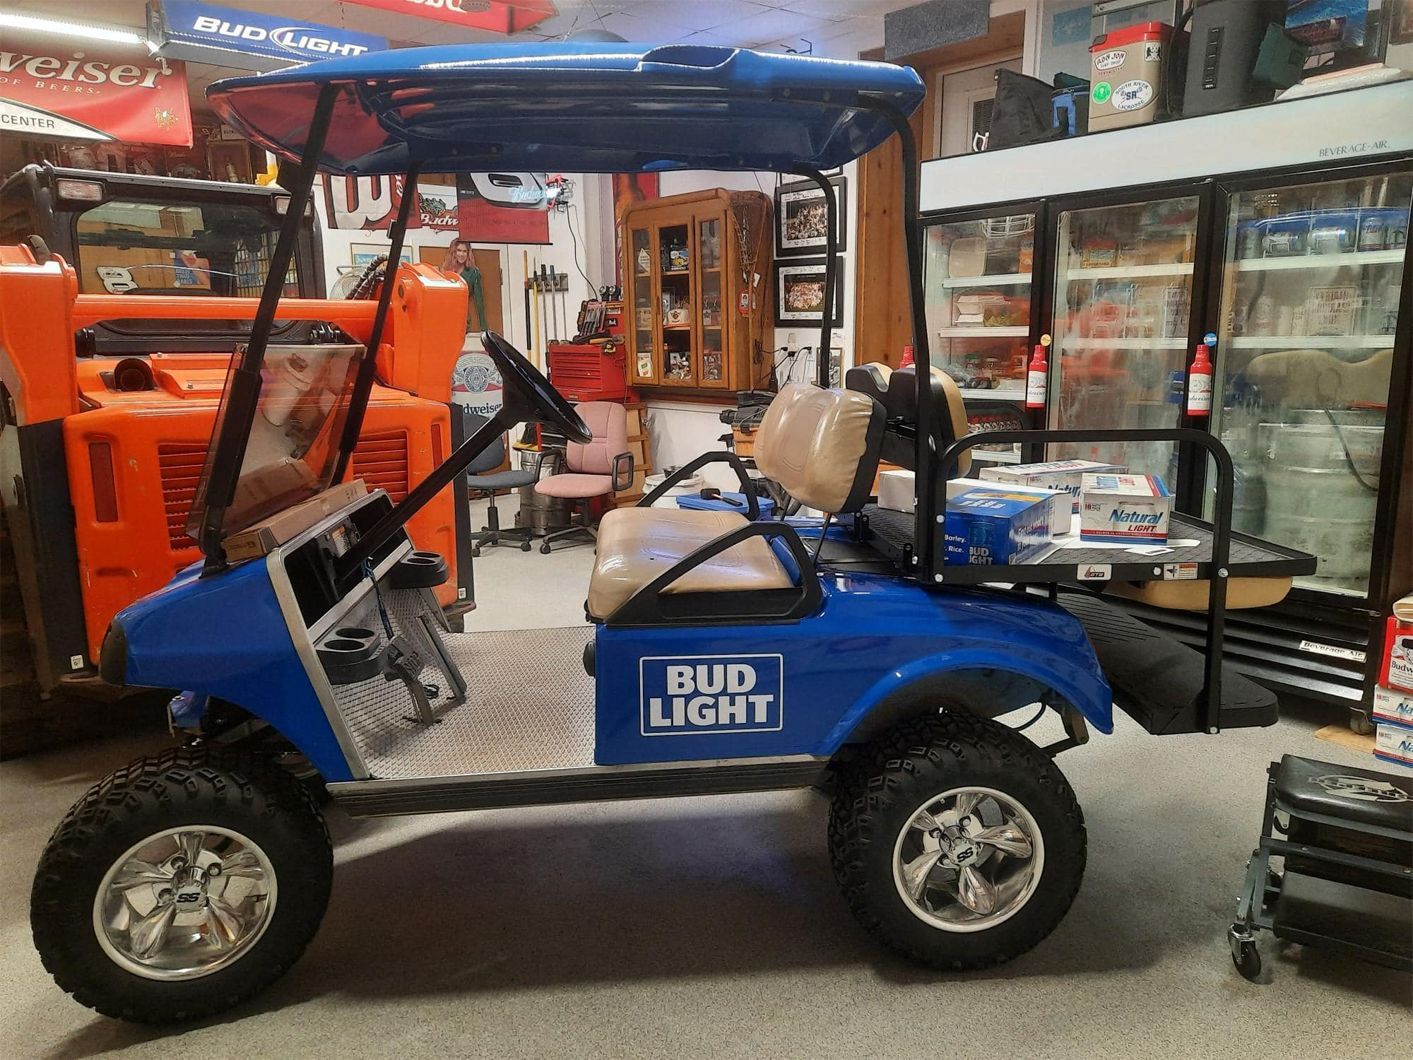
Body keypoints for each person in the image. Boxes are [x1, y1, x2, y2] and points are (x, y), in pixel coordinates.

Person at [441, 240, 487, 334]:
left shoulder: (473, 273)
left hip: (461, 320)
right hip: (444, 318)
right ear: (454, 252)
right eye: (459, 250)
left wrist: (484, 328)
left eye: (464, 251)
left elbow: (479, 301)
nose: (461, 254)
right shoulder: (445, 271)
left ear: (468, 253)